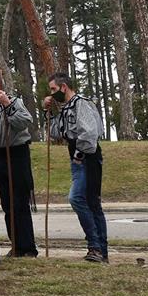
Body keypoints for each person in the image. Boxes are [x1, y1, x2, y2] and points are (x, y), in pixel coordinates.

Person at [45, 71, 108, 263]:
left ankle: (97, 247)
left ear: (64, 87)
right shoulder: (64, 108)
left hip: (87, 156)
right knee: (89, 202)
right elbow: (55, 134)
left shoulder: (82, 103)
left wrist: (79, 155)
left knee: (79, 199)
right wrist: (49, 112)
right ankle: (98, 250)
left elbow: (90, 133)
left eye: (54, 89)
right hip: (75, 155)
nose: (52, 93)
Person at [0, 73, 38, 257]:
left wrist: (7, 105)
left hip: (16, 154)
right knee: (7, 204)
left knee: (19, 203)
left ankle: (28, 247)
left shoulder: (14, 101)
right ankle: (15, 244)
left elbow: (25, 121)